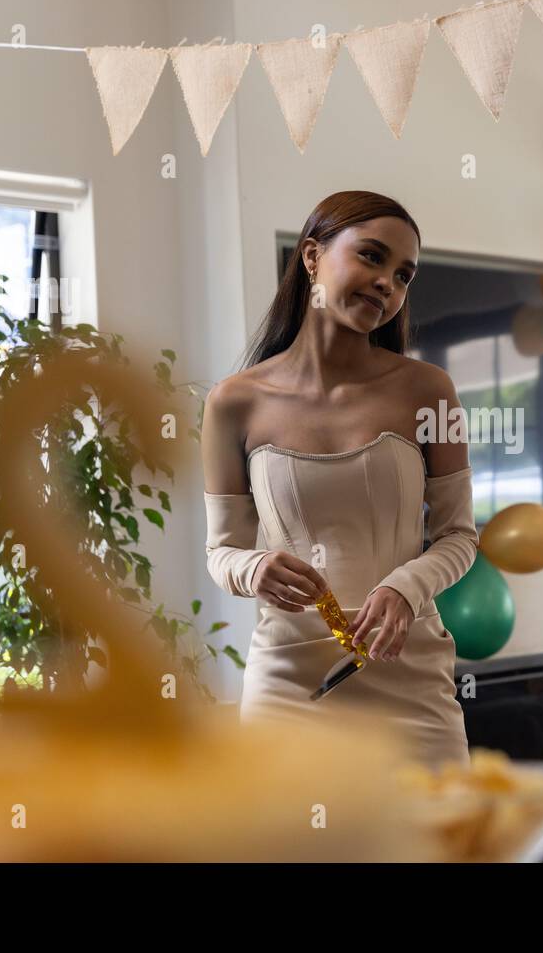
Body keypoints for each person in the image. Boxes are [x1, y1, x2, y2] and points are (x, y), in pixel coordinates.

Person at [201, 190, 476, 767]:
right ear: (310, 257)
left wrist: (406, 587)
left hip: (410, 673)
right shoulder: (233, 403)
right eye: (372, 257)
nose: (388, 285)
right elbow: (222, 551)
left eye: (404, 275)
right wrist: (254, 568)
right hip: (289, 685)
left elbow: (459, 537)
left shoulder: (429, 391)